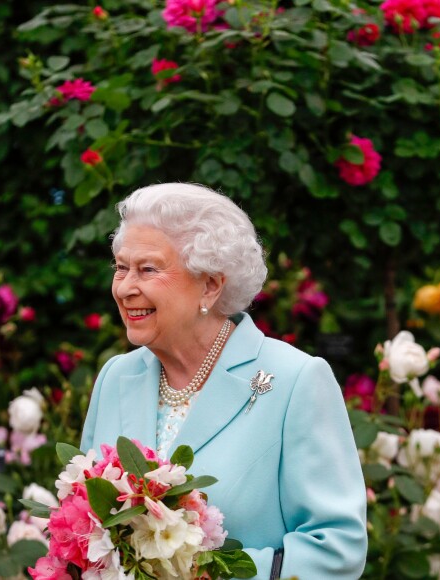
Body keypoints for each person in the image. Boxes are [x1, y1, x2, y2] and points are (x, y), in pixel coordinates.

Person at [81, 182, 368, 579]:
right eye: (121, 267)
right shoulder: (116, 376)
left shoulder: (293, 380)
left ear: (211, 285)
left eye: (147, 269)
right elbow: (84, 521)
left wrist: (206, 573)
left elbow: (337, 546)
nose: (126, 287)